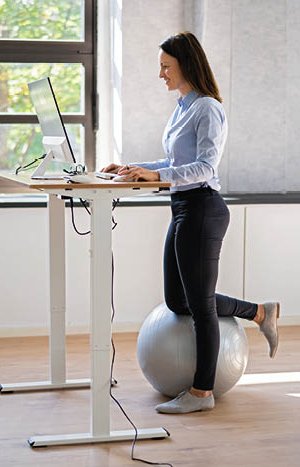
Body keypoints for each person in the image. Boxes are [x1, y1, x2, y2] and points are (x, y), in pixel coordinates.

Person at [102, 32, 280, 414]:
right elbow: (172, 164)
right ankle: (261, 312)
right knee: (178, 300)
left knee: (198, 306)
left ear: (186, 64)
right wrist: (134, 168)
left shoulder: (208, 109)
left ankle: (202, 393)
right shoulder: (183, 106)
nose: (161, 74)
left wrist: (153, 177)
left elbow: (205, 167)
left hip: (202, 208)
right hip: (182, 206)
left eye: (166, 66)